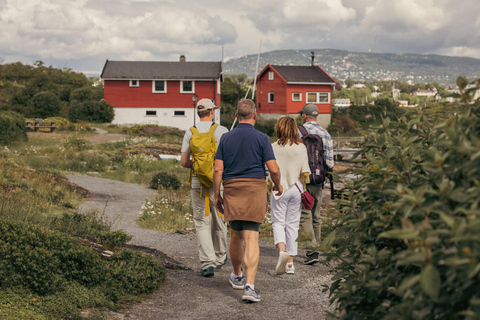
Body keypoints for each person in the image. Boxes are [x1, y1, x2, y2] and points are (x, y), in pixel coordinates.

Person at [213, 98, 283, 303]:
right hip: (255, 189)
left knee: (235, 235)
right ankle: (250, 287)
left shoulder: (225, 138)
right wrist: (277, 185)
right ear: (254, 115)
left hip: (232, 189)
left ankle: (236, 276)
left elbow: (218, 169)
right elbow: (274, 169)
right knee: (252, 237)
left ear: (236, 115)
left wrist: (217, 195)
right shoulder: (261, 138)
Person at [181, 98, 229, 277]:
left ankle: (207, 263)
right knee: (219, 218)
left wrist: (198, 167)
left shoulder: (190, 132)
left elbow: (184, 162)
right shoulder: (222, 131)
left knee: (201, 222)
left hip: (197, 182)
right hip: (219, 181)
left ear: (198, 112)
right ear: (212, 111)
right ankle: (220, 257)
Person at [269, 117, 310, 275]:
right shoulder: (301, 147)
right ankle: (291, 264)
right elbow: (305, 171)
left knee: (278, 222)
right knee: (293, 224)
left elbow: (271, 169)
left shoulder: (273, 147)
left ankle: (282, 252)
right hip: (297, 188)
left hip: (279, 187)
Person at [298, 103, 334, 265]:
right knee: (316, 216)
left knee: (305, 214)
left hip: (302, 180)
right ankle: (316, 249)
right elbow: (330, 163)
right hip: (319, 180)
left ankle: (311, 251)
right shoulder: (325, 134)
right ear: (316, 116)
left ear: (304, 116)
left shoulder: (298, 132)